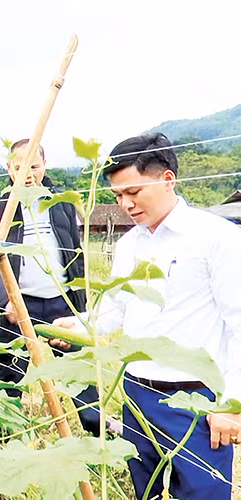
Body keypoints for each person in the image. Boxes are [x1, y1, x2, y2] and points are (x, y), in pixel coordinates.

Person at [53, 133, 241, 499]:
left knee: (204, 493)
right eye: (117, 196)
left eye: (133, 193)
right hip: (137, 393)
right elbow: (117, 308)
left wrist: (232, 406)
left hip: (196, 401)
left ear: (166, 180)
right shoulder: (129, 244)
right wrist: (80, 325)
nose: (125, 205)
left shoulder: (216, 238)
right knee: (147, 490)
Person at [0, 139, 101, 436]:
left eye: (34, 165)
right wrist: (5, 300)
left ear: (45, 165)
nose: (27, 173)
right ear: (8, 167)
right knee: (8, 369)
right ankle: (1, 433)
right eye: (19, 167)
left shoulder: (61, 202)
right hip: (18, 304)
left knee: (78, 369)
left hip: (61, 299)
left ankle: (97, 428)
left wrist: (80, 304)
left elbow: (74, 251)